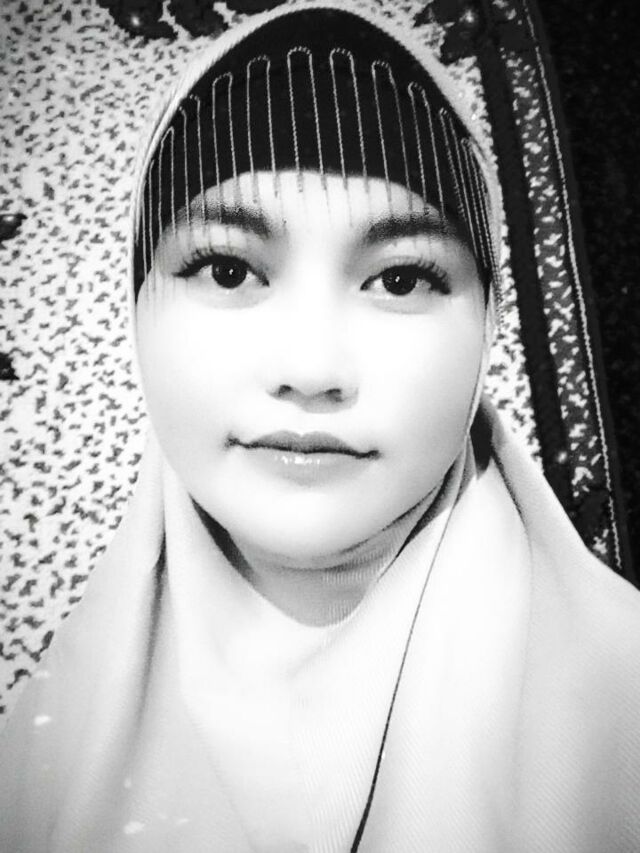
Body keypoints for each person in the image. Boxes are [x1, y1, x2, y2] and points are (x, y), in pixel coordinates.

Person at [1, 2, 640, 851]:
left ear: (489, 325)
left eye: (402, 279)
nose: (310, 367)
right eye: (227, 268)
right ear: (137, 308)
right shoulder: (37, 770)